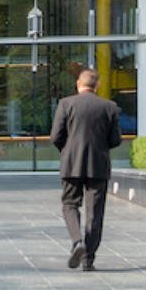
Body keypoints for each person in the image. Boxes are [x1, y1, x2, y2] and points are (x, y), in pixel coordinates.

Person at [50, 67, 124, 272]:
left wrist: (67, 151)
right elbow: (116, 139)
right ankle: (88, 258)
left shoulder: (66, 104)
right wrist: (100, 148)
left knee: (70, 204)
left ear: (78, 84)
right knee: (95, 212)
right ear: (97, 85)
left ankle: (77, 242)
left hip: (71, 163)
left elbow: (56, 135)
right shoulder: (109, 107)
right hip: (98, 165)